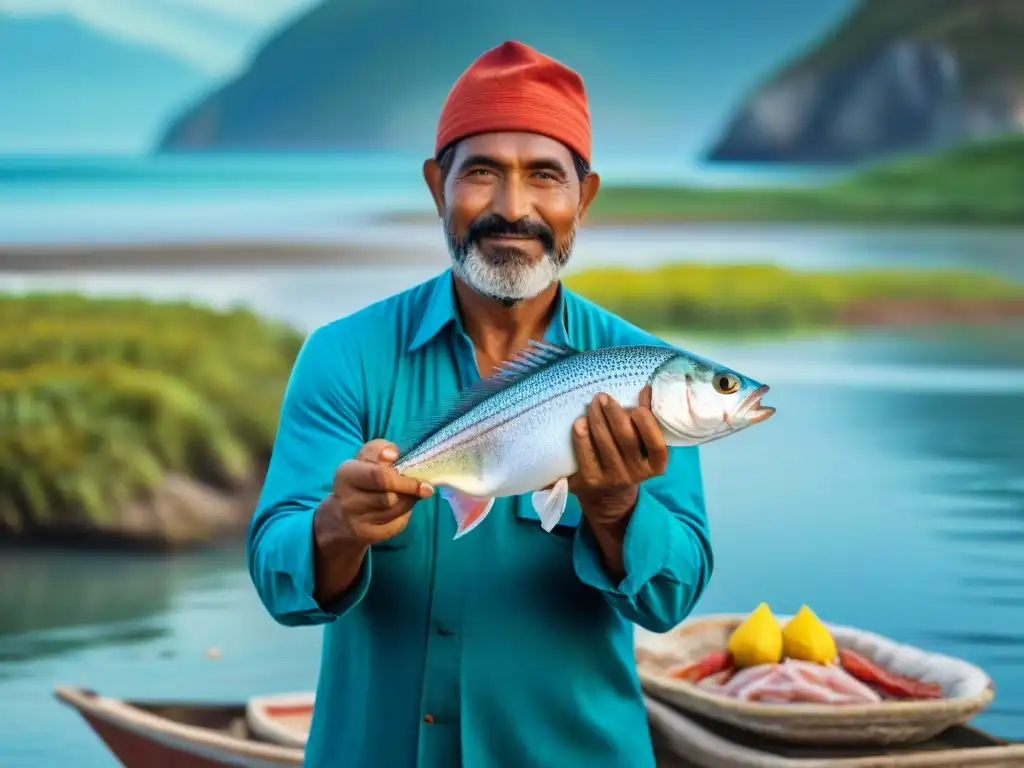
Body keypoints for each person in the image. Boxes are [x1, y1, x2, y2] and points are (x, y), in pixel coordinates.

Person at [247, 40, 714, 768]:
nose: (512, 208)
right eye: (483, 174)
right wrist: (337, 528)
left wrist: (619, 509)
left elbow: (672, 596)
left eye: (545, 178)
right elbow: (276, 572)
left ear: (582, 199)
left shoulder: (640, 373)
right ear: (438, 187)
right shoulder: (343, 356)